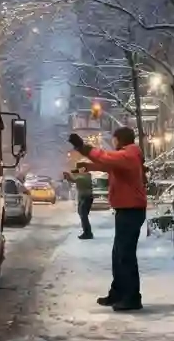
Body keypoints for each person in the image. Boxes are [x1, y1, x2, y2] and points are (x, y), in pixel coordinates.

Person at [68, 126, 147, 311]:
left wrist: (82, 147)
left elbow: (105, 157)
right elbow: (105, 164)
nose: (113, 142)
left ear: (119, 139)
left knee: (125, 257)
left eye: (114, 139)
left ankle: (131, 298)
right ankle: (118, 293)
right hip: (126, 210)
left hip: (131, 211)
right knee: (118, 255)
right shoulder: (127, 156)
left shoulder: (128, 155)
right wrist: (88, 166)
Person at [62, 161, 95, 239]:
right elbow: (72, 179)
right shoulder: (83, 175)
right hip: (84, 197)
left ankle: (88, 233)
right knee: (82, 214)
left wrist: (67, 174)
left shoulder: (86, 176)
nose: (78, 170)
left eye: (79, 168)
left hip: (86, 197)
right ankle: (87, 232)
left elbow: (73, 178)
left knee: (83, 215)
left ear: (83, 168)